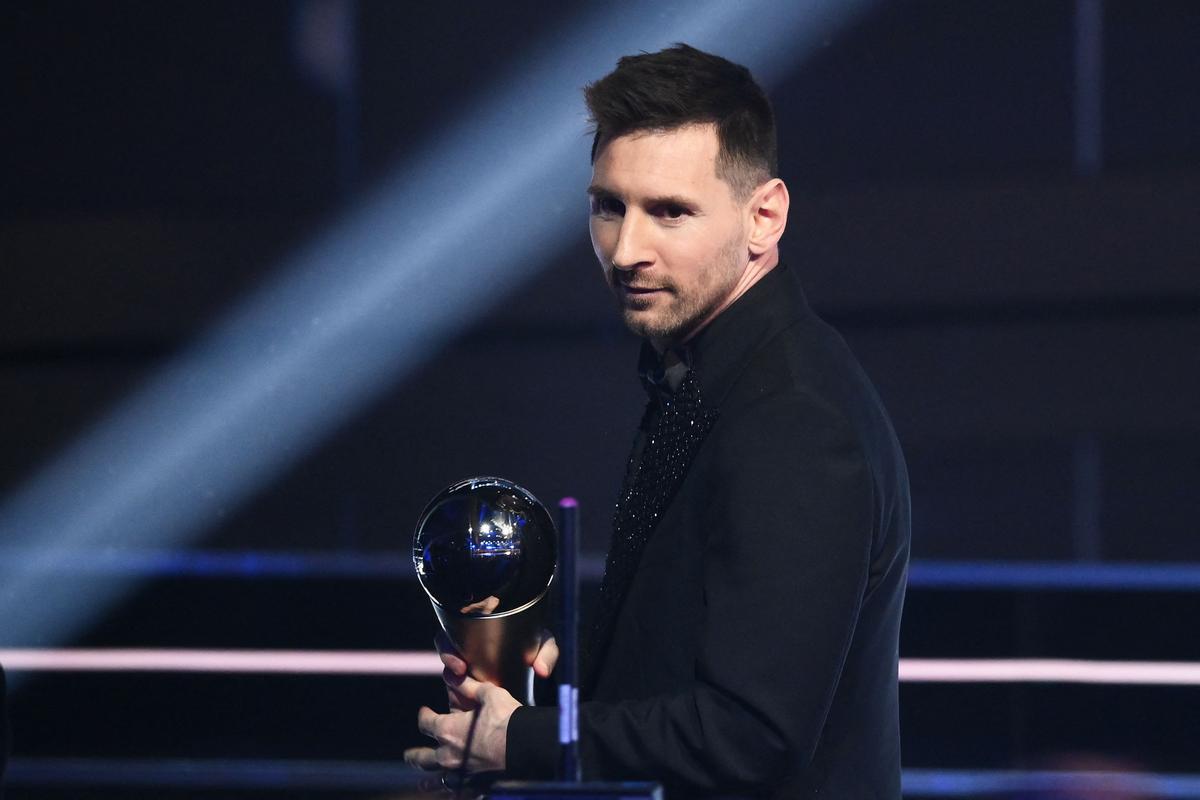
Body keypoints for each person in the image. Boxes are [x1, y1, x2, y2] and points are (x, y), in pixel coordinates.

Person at [406, 43, 910, 798]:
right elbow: (692, 655)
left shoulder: (794, 417)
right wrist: (556, 666)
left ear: (763, 216)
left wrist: (526, 739)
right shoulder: (713, 376)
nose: (626, 250)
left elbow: (752, 732)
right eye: (609, 206)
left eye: (670, 212)